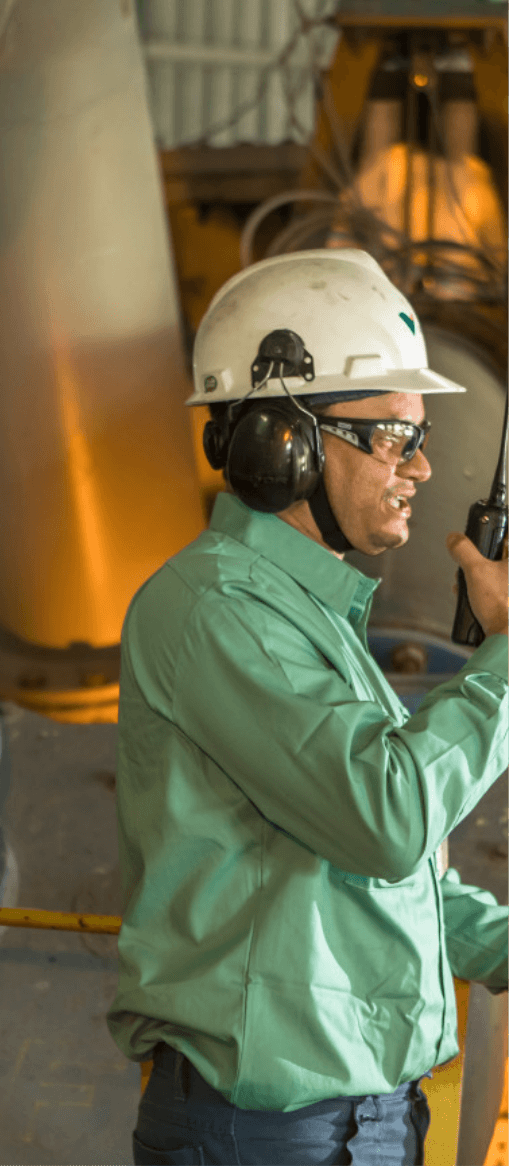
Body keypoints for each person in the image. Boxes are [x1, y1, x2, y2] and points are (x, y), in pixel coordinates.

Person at [107, 250, 508, 1166]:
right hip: (265, 1135)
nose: (419, 465)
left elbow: (388, 883)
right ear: (282, 444)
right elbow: (387, 818)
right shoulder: (213, 611)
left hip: (369, 1123)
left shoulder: (310, 619)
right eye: (393, 436)